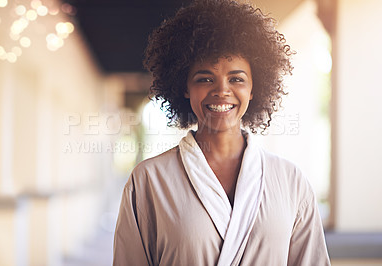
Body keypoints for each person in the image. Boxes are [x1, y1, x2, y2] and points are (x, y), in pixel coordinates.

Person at [113, 0, 331, 265]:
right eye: (205, 78)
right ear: (184, 88)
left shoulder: (291, 181)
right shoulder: (148, 180)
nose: (221, 91)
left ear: (254, 89)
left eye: (236, 79)